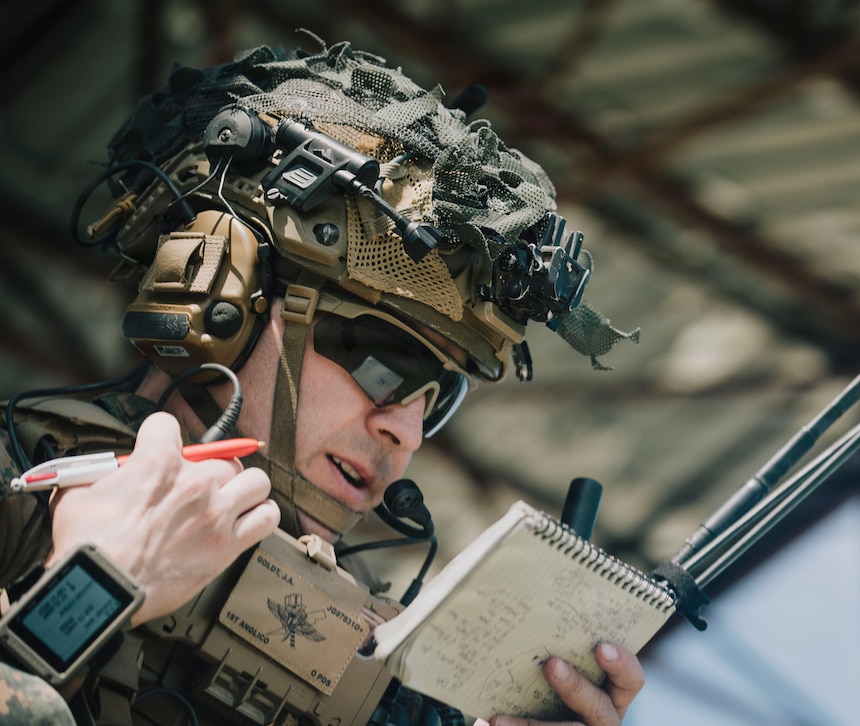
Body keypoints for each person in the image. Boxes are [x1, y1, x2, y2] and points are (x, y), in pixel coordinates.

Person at [0, 39, 641, 726]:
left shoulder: (379, 668)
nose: (408, 431)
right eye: (385, 365)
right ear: (220, 295)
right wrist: (96, 586)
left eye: (438, 398)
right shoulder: (18, 491)